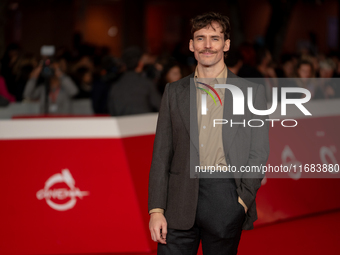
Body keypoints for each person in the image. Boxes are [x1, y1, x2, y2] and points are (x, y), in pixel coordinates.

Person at [148, 12, 269, 255]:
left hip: (225, 196)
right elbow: (162, 154)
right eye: (200, 38)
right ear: (192, 45)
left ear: (226, 45)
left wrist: (242, 201)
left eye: (215, 38)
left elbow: (258, 153)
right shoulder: (174, 92)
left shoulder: (251, 93)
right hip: (178, 198)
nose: (207, 45)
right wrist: (156, 210)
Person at [108, 47, 161, 116]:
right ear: (140, 64)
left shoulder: (115, 86)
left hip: (122, 125)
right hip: (145, 124)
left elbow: (112, 111)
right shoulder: (147, 84)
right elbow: (161, 107)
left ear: (124, 65)